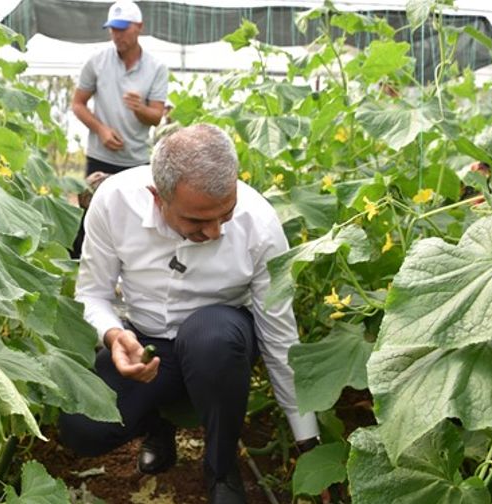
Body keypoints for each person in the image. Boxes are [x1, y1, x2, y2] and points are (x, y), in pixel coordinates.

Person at [60, 124, 320, 503]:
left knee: (211, 336)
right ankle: (158, 426)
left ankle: (221, 467)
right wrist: (114, 336)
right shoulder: (114, 202)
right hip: (147, 345)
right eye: (198, 221)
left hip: (219, 344)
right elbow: (92, 294)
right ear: (157, 197)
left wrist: (308, 440)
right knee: (81, 428)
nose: (214, 232)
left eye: (224, 214)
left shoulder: (260, 225)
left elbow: (280, 336)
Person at [70, 0, 168, 258]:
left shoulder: (156, 68)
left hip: (136, 160)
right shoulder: (97, 62)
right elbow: (78, 104)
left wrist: (139, 109)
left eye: (122, 28)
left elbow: (156, 117)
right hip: (100, 157)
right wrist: (101, 129)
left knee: (135, 222)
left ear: (139, 27)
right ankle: (78, 269)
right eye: (113, 29)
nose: (116, 35)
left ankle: (130, 273)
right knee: (90, 217)